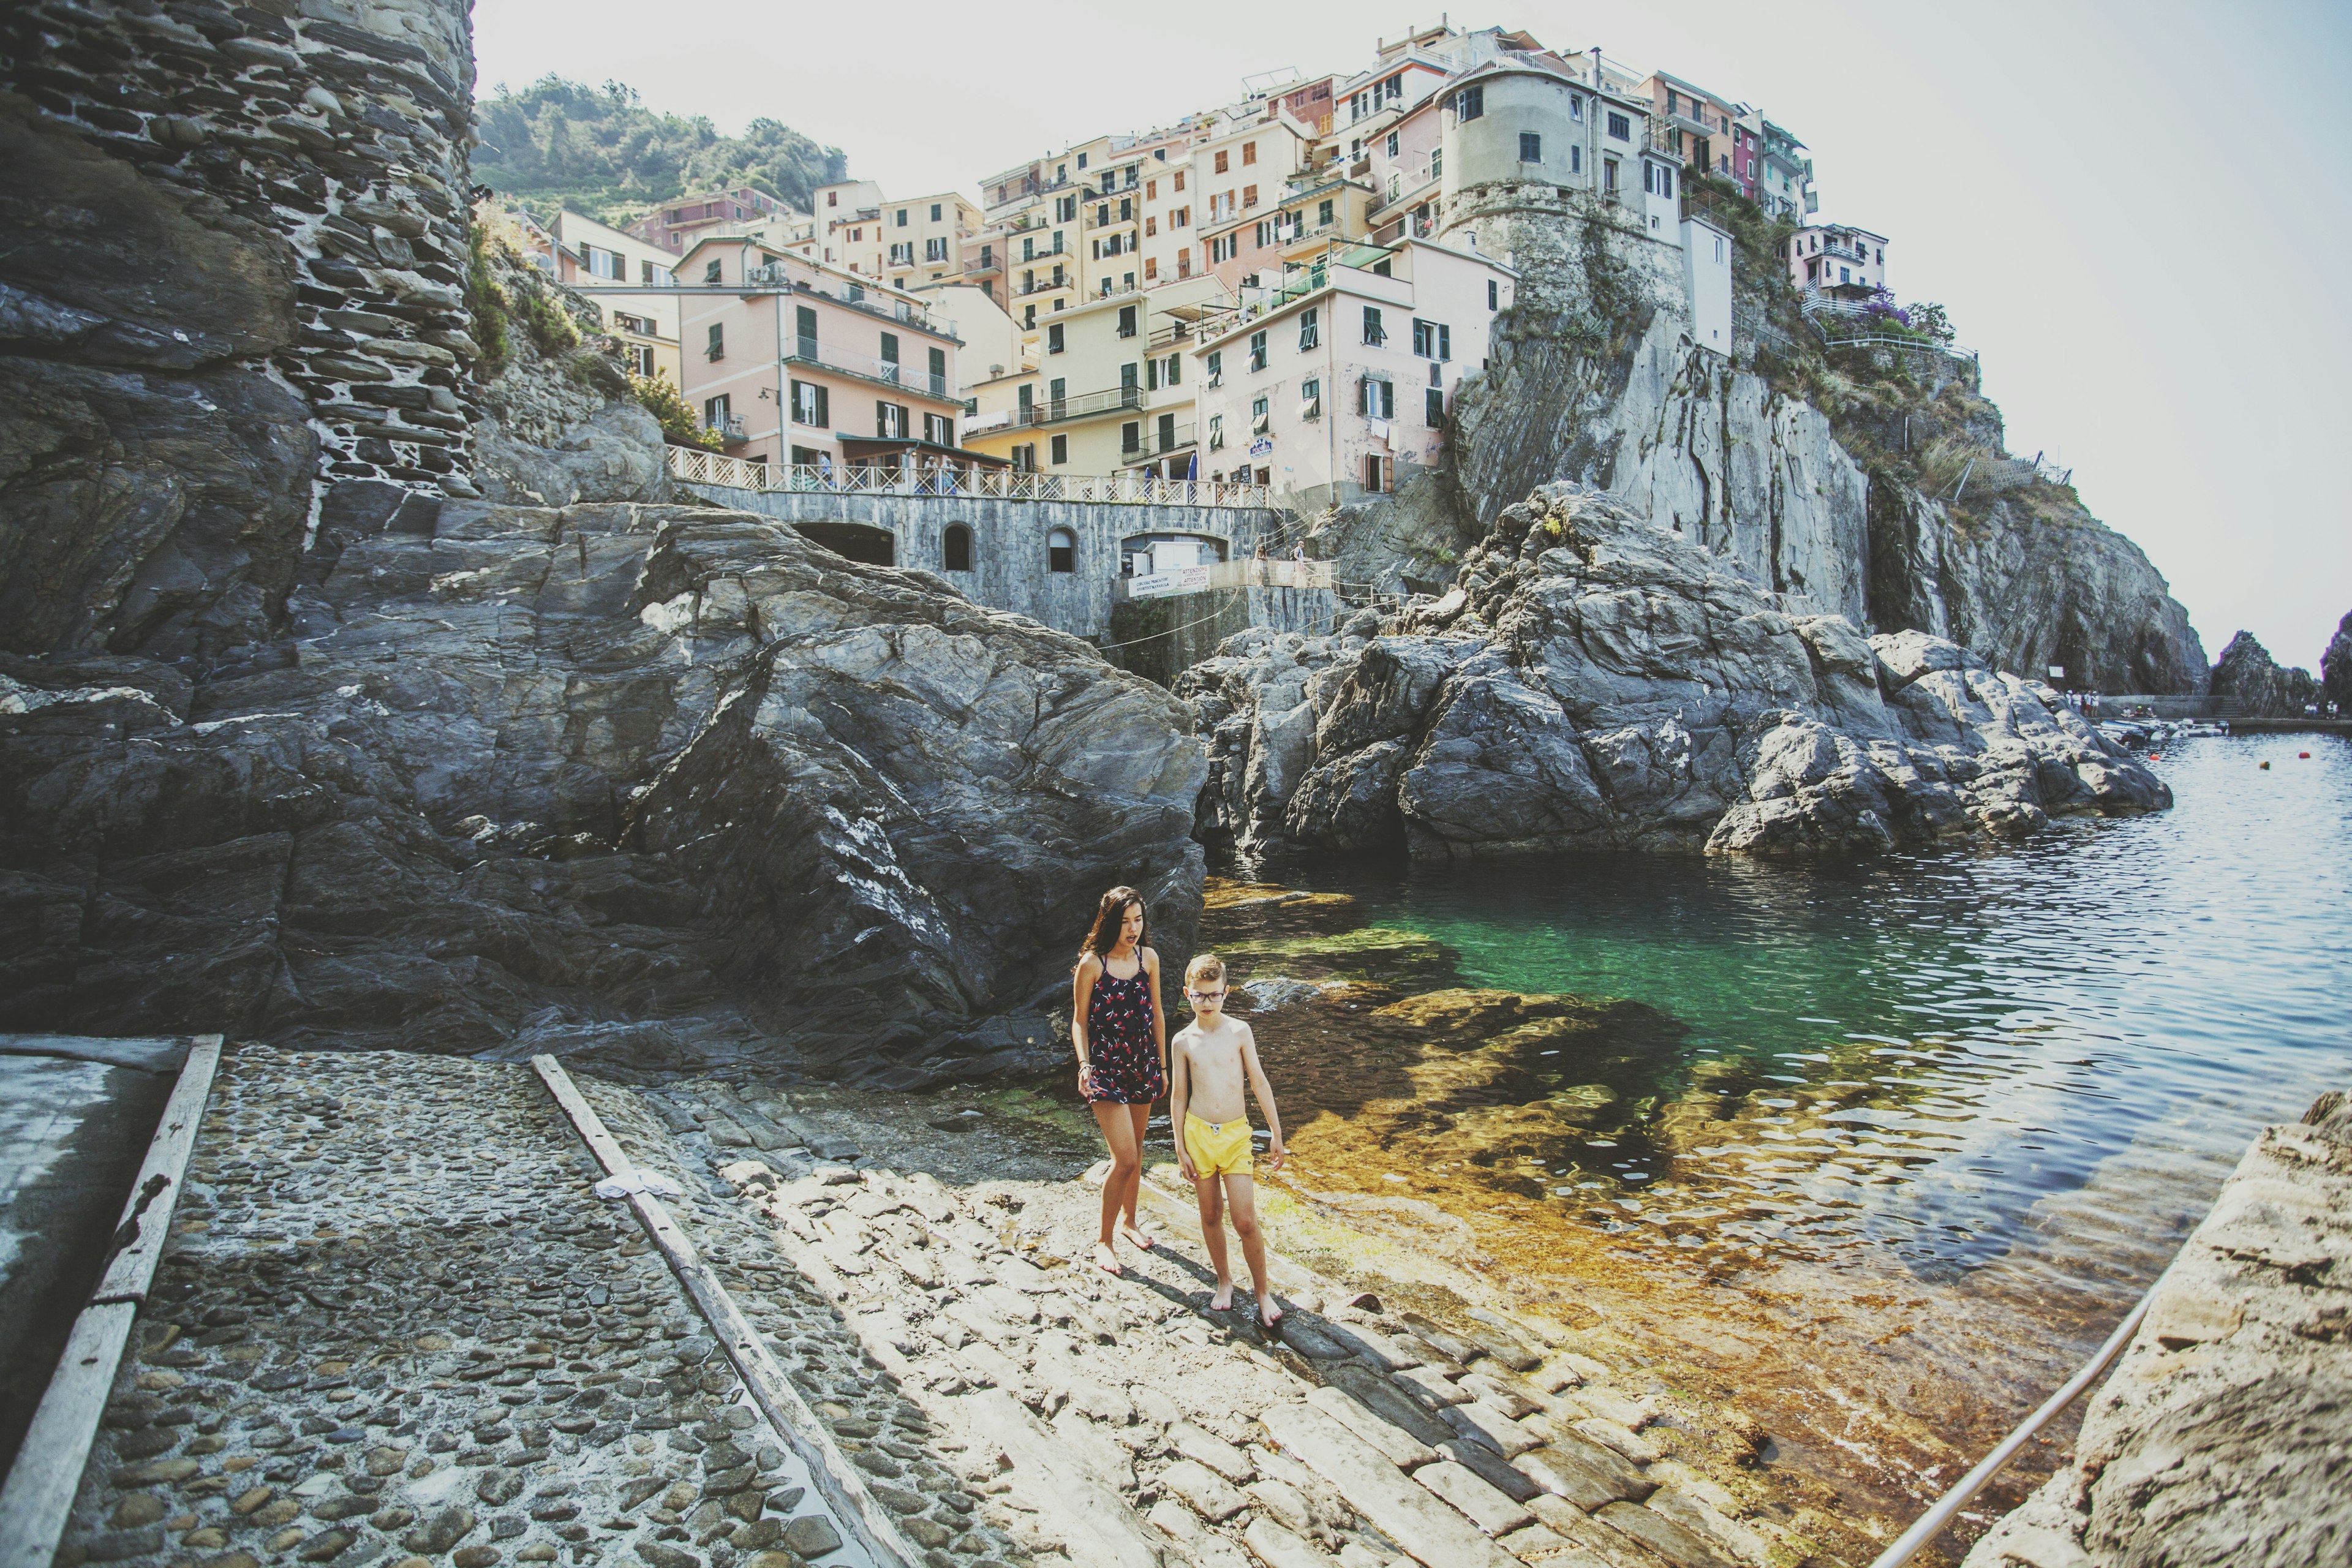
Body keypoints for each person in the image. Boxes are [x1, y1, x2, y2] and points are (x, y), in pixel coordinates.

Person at [1169, 953, 1287, 1325]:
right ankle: (1224, 1281)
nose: (1206, 1003)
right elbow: (1178, 1096)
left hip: (1236, 1135)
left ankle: (1263, 1291)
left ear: (1226, 992)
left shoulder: (1240, 1032)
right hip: (1197, 1135)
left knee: (1245, 1220)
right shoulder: (1182, 1041)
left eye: (1214, 995)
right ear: (1187, 993)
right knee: (1210, 1215)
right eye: (1199, 996)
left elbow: (1259, 1081)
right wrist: (1179, 1146)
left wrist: (1276, 1133)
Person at [1070, 886, 1167, 1276]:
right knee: (1124, 1158)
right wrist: (1084, 1065)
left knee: (1138, 1148)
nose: (1133, 929)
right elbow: (1079, 1021)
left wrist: (1161, 1067)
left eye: (1138, 920)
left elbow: (1158, 1014)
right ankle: (1104, 1241)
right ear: (1110, 922)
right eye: (1126, 921)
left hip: (1143, 1064)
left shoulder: (1149, 959)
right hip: (1106, 1068)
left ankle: (1129, 1222)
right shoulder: (1093, 964)